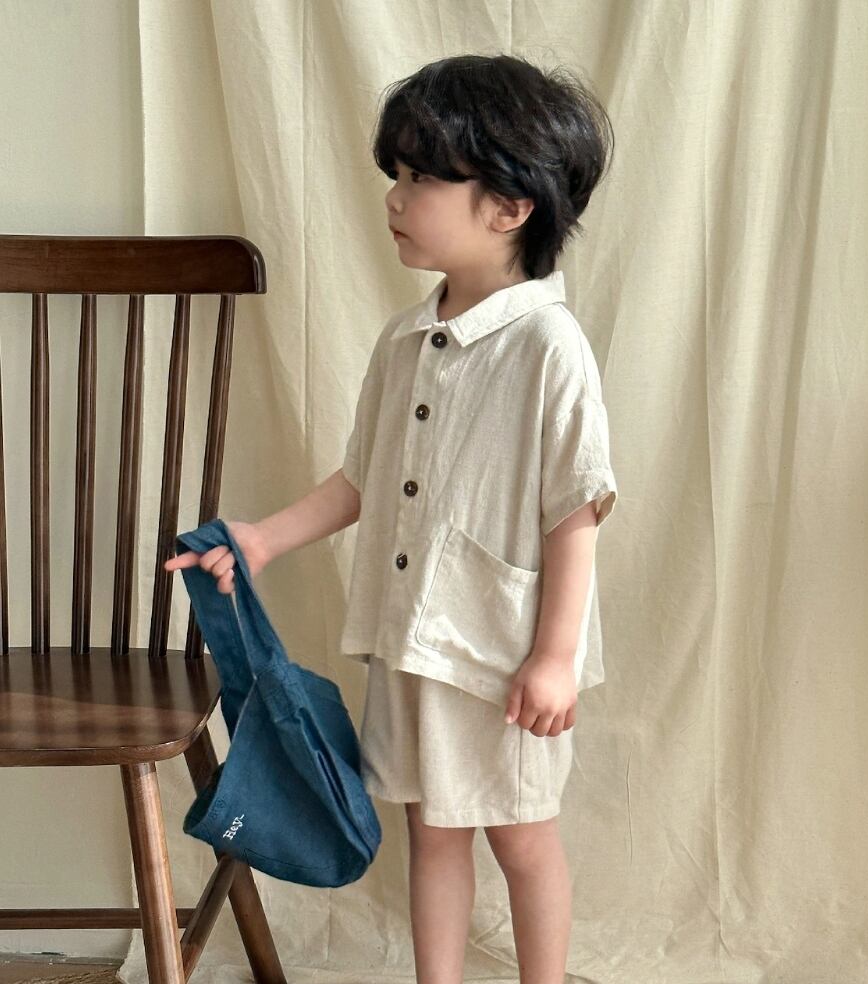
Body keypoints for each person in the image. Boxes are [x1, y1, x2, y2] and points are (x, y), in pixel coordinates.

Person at [166, 53, 618, 984]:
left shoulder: (548, 346)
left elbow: (576, 509)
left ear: (509, 206)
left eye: (421, 178)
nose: (395, 198)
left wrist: (554, 657)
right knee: (431, 832)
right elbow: (362, 479)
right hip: (410, 640)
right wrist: (261, 539)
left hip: (501, 655)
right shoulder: (405, 338)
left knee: (521, 836)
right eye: (396, 174)